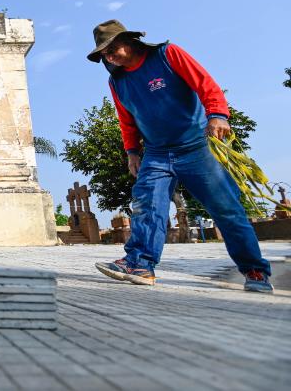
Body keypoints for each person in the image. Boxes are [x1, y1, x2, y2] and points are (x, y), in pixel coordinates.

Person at [87, 20, 273, 293]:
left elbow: (205, 84)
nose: (109, 55)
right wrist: (132, 152)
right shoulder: (117, 81)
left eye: (112, 48)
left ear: (130, 41)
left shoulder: (167, 54)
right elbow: (126, 120)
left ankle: (255, 270)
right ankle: (140, 264)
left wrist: (218, 114)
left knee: (227, 209)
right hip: (157, 153)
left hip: (196, 146)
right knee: (147, 204)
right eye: (104, 53)